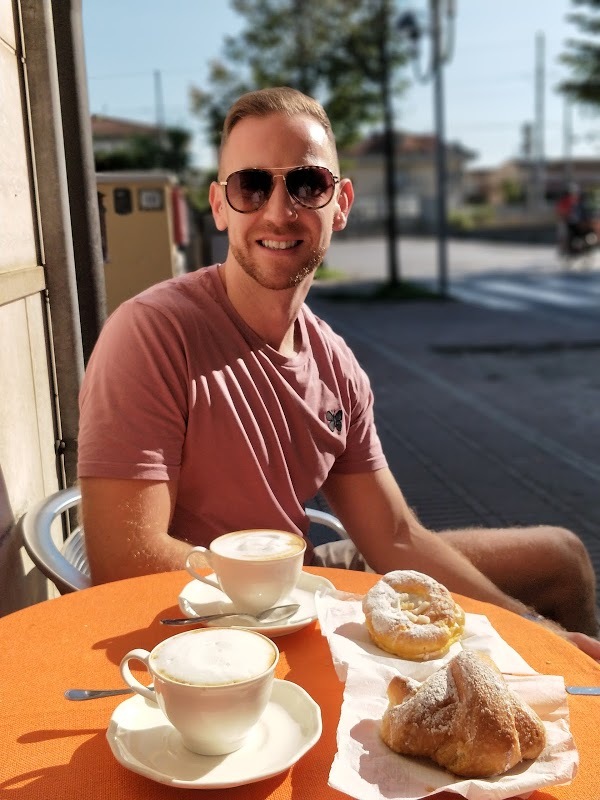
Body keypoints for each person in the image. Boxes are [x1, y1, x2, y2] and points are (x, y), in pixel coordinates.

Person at [78, 87, 600, 658]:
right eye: (252, 186)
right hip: (204, 616)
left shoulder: (334, 362)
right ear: (221, 206)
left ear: (341, 203)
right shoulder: (152, 333)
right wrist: (306, 592)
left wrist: (537, 632)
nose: (279, 211)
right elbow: (126, 560)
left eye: (307, 184)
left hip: (304, 575)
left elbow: (395, 536)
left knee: (562, 559)